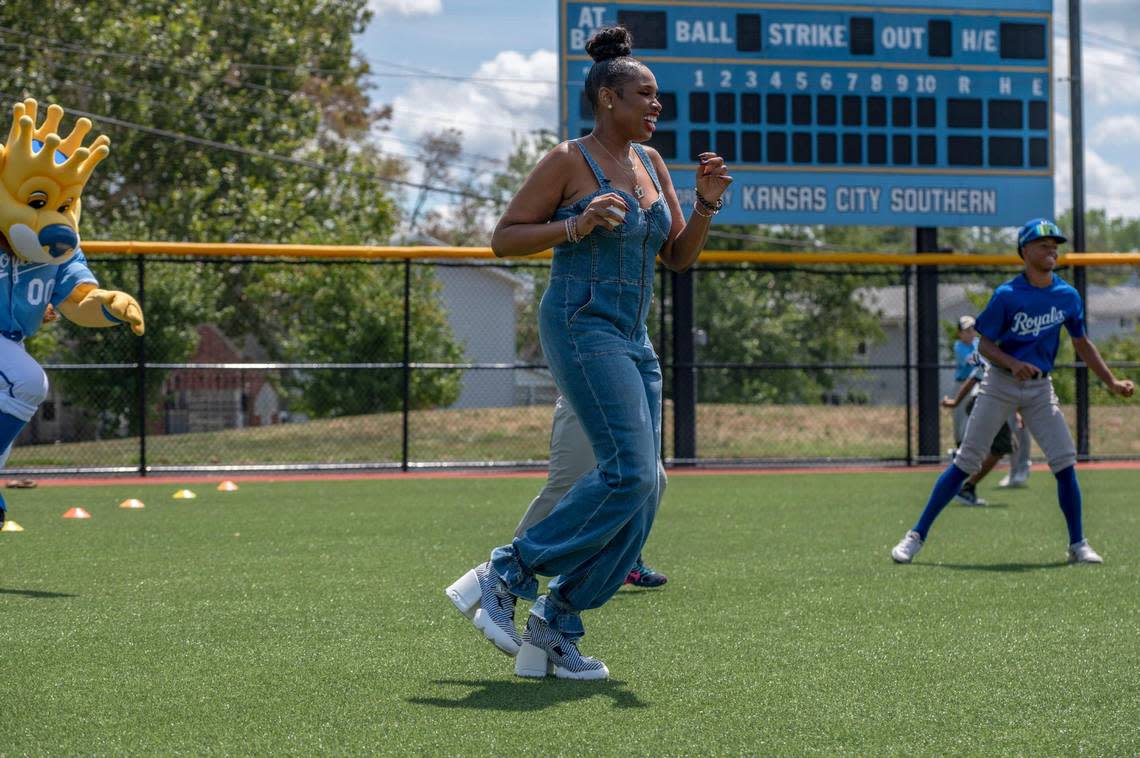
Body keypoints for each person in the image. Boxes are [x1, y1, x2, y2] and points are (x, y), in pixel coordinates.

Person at [446, 25, 731, 680]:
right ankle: (505, 573)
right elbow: (504, 239)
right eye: (645, 95)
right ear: (608, 98)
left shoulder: (653, 165)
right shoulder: (568, 160)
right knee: (630, 472)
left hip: (632, 337)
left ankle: (556, 622)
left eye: (658, 97)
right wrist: (574, 224)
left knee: (647, 486)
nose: (657, 106)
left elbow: (679, 258)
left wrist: (706, 204)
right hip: (581, 324)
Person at [891, 218, 1134, 564]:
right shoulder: (1007, 295)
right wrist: (1012, 362)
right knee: (966, 461)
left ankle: (1078, 544)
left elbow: (1082, 343)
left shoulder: (1066, 295)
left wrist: (1110, 381)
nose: (1052, 249)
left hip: (1040, 389)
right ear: (1024, 251)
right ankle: (915, 536)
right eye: (1043, 244)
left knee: (1064, 463)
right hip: (1000, 385)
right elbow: (984, 344)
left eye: (1055, 245)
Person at [515, 395, 668, 588]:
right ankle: (509, 564)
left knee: (653, 480)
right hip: (583, 394)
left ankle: (623, 562)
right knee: (563, 485)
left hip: (630, 402)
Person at [940, 315, 1018, 506]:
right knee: (998, 447)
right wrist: (956, 402)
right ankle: (964, 488)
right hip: (982, 401)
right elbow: (975, 377)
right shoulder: (998, 353)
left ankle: (964, 486)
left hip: (985, 401)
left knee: (991, 448)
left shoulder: (1000, 350)